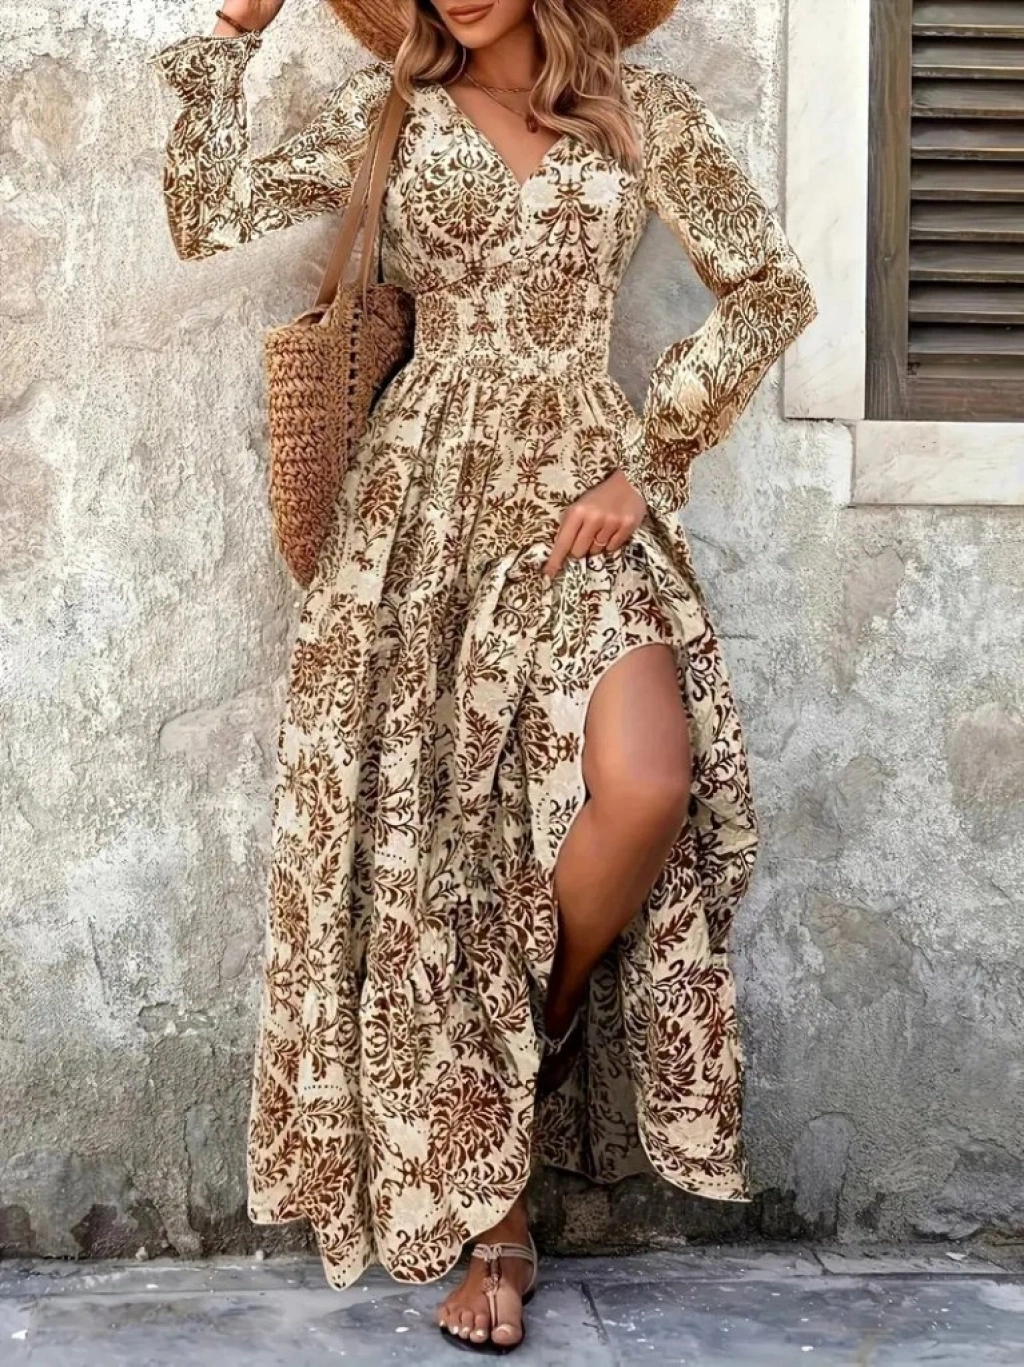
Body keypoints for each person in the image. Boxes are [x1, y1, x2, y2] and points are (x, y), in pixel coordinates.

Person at [149, 0, 816, 1353]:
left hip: (580, 501)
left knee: (647, 784)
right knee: (446, 854)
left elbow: (772, 291)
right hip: (419, 518)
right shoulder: (385, 110)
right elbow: (207, 214)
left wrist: (651, 461)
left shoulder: (642, 113)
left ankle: (532, 1030)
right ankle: (497, 1225)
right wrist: (233, 31)